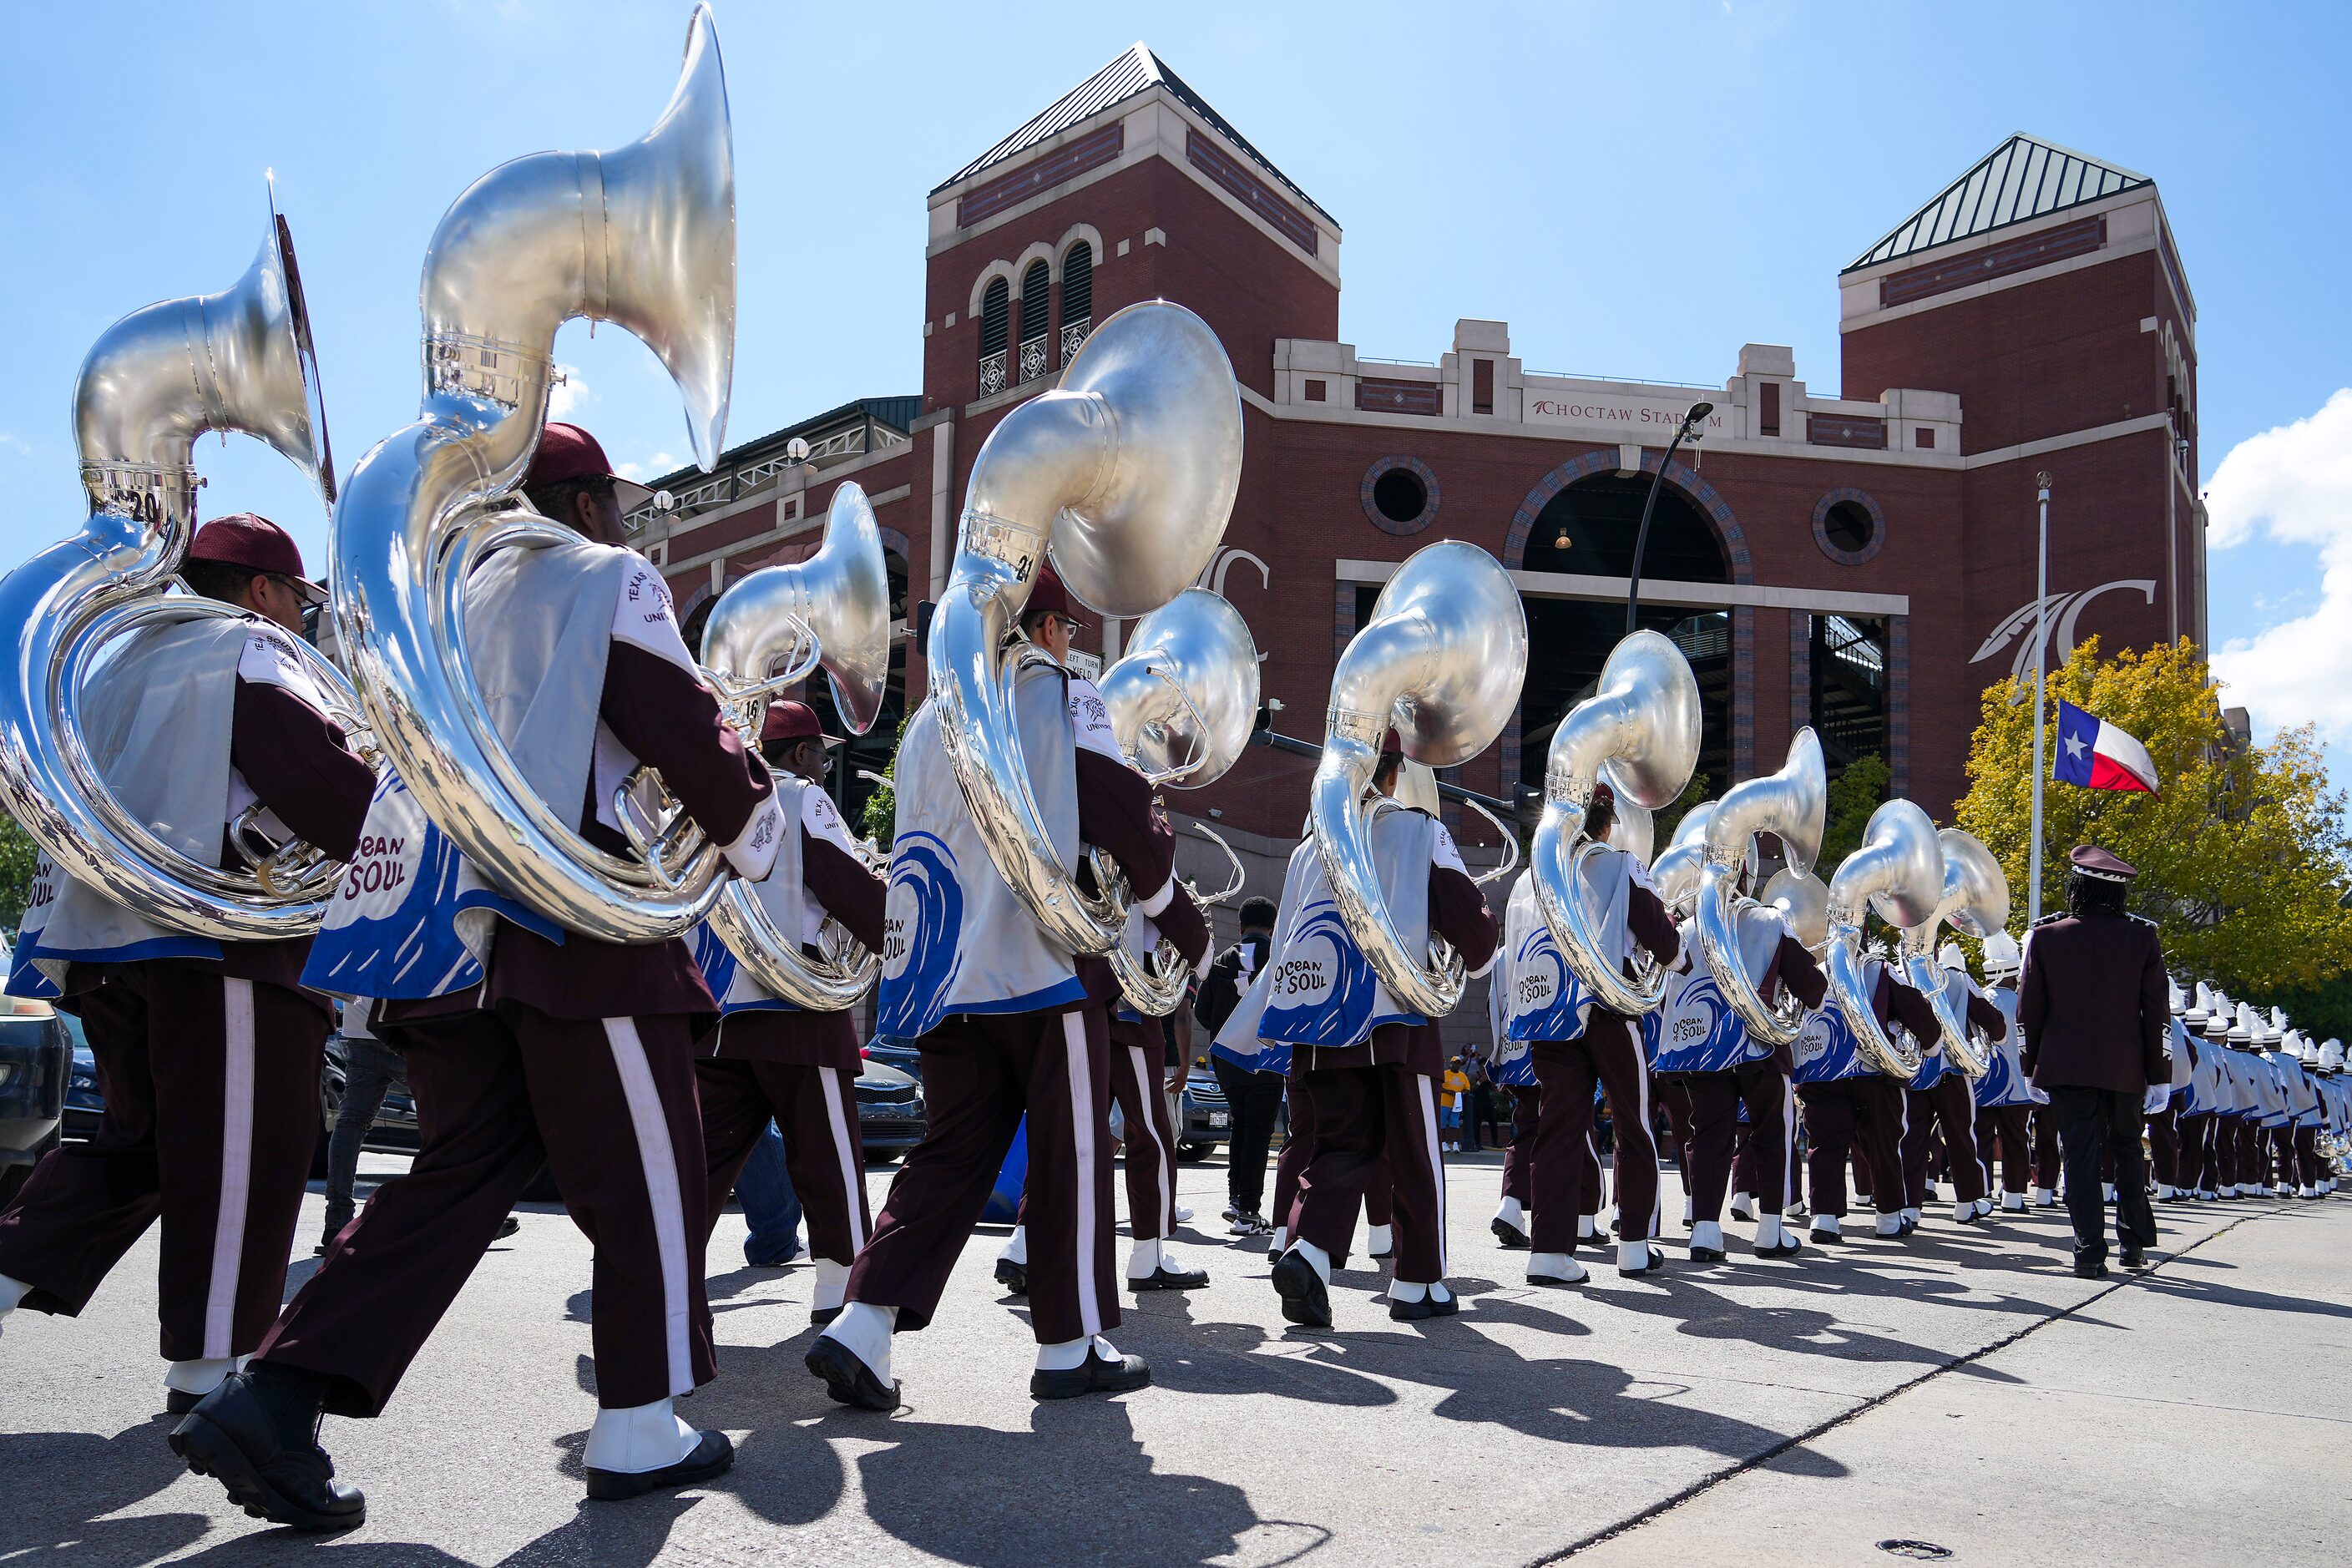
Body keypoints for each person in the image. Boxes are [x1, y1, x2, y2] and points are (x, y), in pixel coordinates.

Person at [174, 423, 785, 1525]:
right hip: (574, 922)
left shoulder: (436, 607)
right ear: (589, 506)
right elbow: (681, 734)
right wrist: (753, 819)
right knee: (650, 1166)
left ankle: (275, 1391)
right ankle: (641, 1421)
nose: (626, 524)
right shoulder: (608, 577)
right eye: (618, 505)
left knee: (459, 1173)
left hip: (439, 941)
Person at [0, 514, 374, 1420]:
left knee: (145, 1146)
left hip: (110, 942)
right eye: (300, 599)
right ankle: (211, 1371)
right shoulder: (248, 648)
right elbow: (311, 779)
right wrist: (408, 825)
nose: (302, 618)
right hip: (223, 944)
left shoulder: (118, 659)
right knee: (251, 1149)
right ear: (259, 591)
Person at [812, 566, 1207, 1410]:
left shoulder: (929, 721)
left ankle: (863, 1322)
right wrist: (1182, 922)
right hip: (1045, 969)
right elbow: (1120, 810)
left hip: (946, 979)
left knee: (948, 1153)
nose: (1075, 647)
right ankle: (1069, 1343)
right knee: (1071, 1153)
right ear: (1052, 630)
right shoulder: (1058, 694)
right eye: (1069, 631)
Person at [1259, 736, 1499, 1326]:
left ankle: (1308, 1251)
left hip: (1314, 1021)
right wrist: (1479, 939)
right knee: (1415, 1151)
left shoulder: (1306, 850)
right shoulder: (1417, 829)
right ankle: (1417, 1282)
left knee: (1341, 1143)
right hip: (1394, 1021)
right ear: (1392, 775)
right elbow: (1472, 930)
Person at [688, 700, 888, 1327]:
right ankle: (841, 1297)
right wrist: (907, 939)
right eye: (822, 755)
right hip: (797, 1008)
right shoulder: (802, 798)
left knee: (700, 1162)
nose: (825, 767)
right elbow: (841, 883)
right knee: (827, 1158)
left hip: (719, 1015)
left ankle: (655, 1279)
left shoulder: (709, 799)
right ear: (800, 755)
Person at [1499, 781, 1677, 1285]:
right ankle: (1634, 1246)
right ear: (1605, 825)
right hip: (1609, 1009)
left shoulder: (1531, 881)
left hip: (1547, 1014)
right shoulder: (1618, 865)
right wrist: (1678, 956)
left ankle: (1549, 1252)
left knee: (1557, 1130)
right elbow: (1658, 935)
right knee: (1633, 1121)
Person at [2017, 844, 2169, 1278]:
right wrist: (2160, 1075)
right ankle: (2134, 1244)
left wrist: (2030, 1066)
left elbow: (2029, 1010)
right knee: (2127, 1150)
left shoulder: (2045, 935)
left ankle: (2088, 1251)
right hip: (2125, 1067)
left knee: (2079, 1156)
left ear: (2076, 886)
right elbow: (2156, 1011)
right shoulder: (2142, 936)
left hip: (2065, 1066)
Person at [1663, 864, 1827, 1262]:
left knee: (1708, 1136)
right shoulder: (1769, 920)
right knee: (1772, 1134)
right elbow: (1814, 992)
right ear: (1745, 875)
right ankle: (1770, 1231)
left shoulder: (1687, 930)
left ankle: (1704, 1231)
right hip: (1762, 1049)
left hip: (1702, 1048)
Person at [318, 1002, 522, 1254]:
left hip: (361, 1034)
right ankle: (473, 1218)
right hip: (405, 1030)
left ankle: (336, 1222)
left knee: (351, 1123)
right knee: (456, 1121)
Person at [1899, 944, 2005, 1227]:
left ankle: (1909, 1207)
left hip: (1913, 1071)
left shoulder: (1899, 975)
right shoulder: (1956, 978)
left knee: (1911, 1139)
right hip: (1953, 1071)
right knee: (1961, 1137)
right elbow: (1992, 1022)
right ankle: (1966, 1203)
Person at [1198, 897, 1283, 1236]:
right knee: (1260, 1131)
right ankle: (1249, 1209)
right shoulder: (1278, 958)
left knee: (1240, 1125)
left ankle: (1236, 1200)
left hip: (1228, 1058)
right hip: (1266, 1058)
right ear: (1273, 928)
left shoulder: (1221, 961)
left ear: (1241, 927)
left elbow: (1203, 1013)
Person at [1968, 933, 2037, 1211]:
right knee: (2016, 1140)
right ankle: (2014, 1196)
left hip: (1982, 1083)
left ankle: (1982, 1192)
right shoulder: (2024, 1002)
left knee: (1982, 1138)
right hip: (2018, 1085)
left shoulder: (1979, 998)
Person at [1440, 1057, 1470, 1153]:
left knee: (1455, 1124)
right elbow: (1438, 1086)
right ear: (1451, 1064)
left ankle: (1455, 1144)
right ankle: (1443, 1143)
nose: (1456, 1065)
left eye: (1458, 1063)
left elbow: (1467, 1088)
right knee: (1442, 1124)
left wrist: (1463, 1093)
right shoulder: (1445, 1074)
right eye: (1454, 1063)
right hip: (1444, 1103)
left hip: (1456, 1104)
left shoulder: (1463, 1076)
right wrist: (1447, 1091)